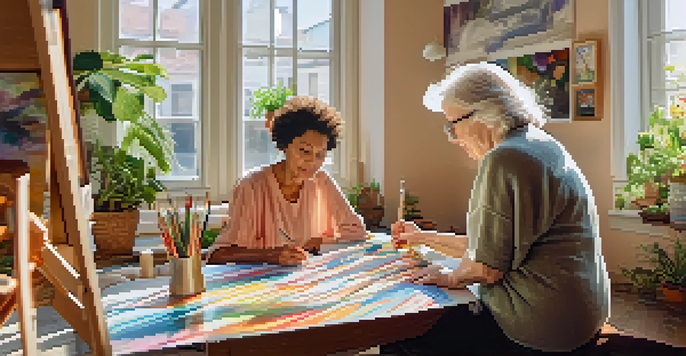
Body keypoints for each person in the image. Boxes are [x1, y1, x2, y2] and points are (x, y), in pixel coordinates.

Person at [380, 62, 610, 355]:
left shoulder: (504, 158)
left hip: (541, 328)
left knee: (402, 332)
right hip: (581, 315)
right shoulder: (539, 143)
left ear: (484, 114)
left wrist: (449, 277)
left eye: (453, 124)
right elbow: (490, 248)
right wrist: (422, 237)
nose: (453, 137)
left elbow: (486, 268)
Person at [207, 96, 367, 266]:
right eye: (305, 151)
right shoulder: (251, 186)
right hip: (260, 285)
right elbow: (218, 255)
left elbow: (357, 232)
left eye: (320, 155)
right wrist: (271, 255)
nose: (312, 162)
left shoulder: (322, 181)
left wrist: (320, 243)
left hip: (305, 284)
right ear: (284, 145)